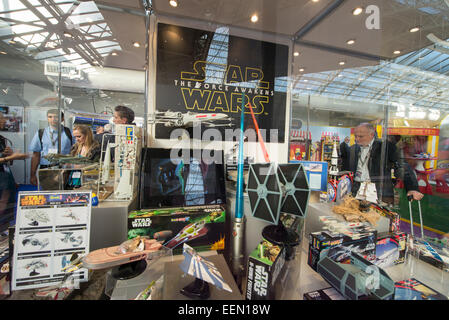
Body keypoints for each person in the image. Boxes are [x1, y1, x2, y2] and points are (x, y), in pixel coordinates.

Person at [348, 122, 423, 204]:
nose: (357, 139)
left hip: (379, 191)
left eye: (361, 136)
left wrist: (412, 188)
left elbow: (403, 166)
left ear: (371, 135)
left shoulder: (385, 147)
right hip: (356, 189)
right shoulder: (353, 149)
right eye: (355, 136)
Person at [29, 109, 74, 185]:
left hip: (65, 169)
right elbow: (36, 155)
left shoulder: (70, 133)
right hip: (46, 169)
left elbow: (76, 151)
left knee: (65, 194)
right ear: (47, 118)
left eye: (56, 117)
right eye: (50, 117)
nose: (53, 119)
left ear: (62, 119)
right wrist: (32, 175)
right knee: (47, 194)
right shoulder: (41, 133)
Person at [0, 113, 29, 224]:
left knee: (7, 213)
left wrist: (10, 156)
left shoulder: (2, 139)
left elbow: (9, 162)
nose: (4, 121)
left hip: (6, 180)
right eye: (1, 119)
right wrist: (11, 157)